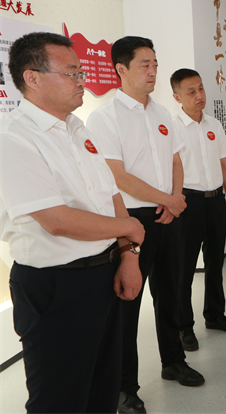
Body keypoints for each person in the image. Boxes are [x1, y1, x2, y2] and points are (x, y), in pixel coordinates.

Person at [1, 32, 143, 413]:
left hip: (104, 274)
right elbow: (57, 220)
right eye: (71, 73)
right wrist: (130, 229)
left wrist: (129, 254)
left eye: (81, 72)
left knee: (102, 390)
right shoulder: (14, 137)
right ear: (32, 78)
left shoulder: (77, 128)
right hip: (56, 286)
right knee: (60, 400)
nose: (82, 80)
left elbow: (111, 195)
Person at [87, 36, 203, 414]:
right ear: (120, 69)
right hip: (131, 219)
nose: (153, 70)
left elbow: (175, 161)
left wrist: (175, 198)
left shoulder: (163, 113)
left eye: (155, 63)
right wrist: (167, 199)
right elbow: (117, 176)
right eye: (144, 64)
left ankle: (173, 361)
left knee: (171, 294)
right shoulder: (104, 117)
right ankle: (124, 387)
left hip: (169, 216)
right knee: (128, 305)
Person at [170, 69, 226, 353]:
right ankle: (184, 326)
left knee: (215, 262)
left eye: (200, 88)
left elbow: (224, 163)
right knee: (185, 268)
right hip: (188, 203)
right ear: (177, 97)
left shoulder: (214, 124)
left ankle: (214, 314)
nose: (199, 95)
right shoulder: (171, 128)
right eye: (191, 91)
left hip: (215, 201)